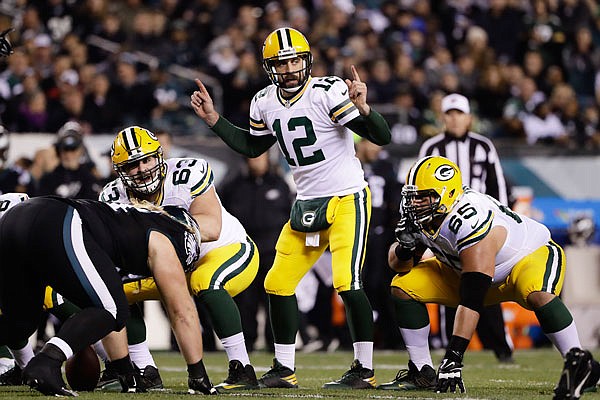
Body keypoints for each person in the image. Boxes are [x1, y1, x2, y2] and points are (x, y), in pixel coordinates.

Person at [191, 27, 391, 389]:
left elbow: (381, 136)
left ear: (307, 60)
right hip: (307, 202)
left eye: (295, 60)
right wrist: (214, 121)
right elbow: (253, 147)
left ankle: (364, 368)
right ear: (270, 67)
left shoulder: (327, 91)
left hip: (347, 197)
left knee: (347, 281)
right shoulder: (264, 101)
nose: (289, 68)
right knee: (278, 282)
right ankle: (284, 368)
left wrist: (364, 109)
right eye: (281, 63)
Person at [380, 155, 600, 399]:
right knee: (404, 285)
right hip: (466, 270)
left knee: (537, 293)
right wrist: (405, 248)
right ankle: (422, 371)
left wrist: (453, 357)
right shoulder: (420, 212)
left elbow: (473, 295)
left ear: (448, 194)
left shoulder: (469, 218)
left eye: (423, 196)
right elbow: (398, 265)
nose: (415, 203)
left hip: (526, 259)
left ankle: (580, 363)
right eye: (412, 196)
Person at [0, 194, 217, 396]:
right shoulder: (168, 237)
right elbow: (181, 311)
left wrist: (126, 373)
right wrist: (198, 374)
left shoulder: (132, 223)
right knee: (113, 309)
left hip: (14, 220)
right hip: (55, 219)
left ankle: (48, 360)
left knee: (20, 323)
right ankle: (48, 361)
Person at [97, 125, 260, 392]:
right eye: (131, 165)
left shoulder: (187, 173)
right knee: (117, 291)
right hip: (172, 265)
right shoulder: (113, 196)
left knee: (206, 282)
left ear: (159, 155)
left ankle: (242, 367)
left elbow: (211, 227)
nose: (142, 169)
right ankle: (145, 370)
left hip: (223, 250)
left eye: (146, 159)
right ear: (120, 172)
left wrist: (159, 221)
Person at [418, 93, 513, 363]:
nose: (455, 118)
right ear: (442, 118)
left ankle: (502, 351)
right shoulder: (431, 147)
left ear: (469, 118)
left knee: (485, 285)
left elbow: (497, 186)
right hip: (446, 227)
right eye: (450, 114)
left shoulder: (483, 146)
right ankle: (453, 351)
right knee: (452, 287)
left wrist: (501, 219)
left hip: (480, 226)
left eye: (459, 113)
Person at [220, 152, 293, 352]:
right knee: (245, 301)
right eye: (253, 157)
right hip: (244, 253)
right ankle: (246, 344)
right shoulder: (233, 186)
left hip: (273, 252)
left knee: (274, 298)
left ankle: (276, 343)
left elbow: (290, 218)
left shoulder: (280, 184)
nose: (257, 161)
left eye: (261, 157)